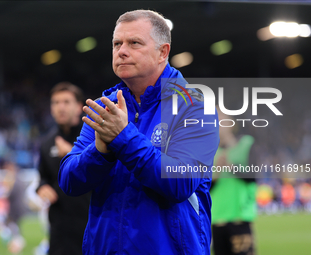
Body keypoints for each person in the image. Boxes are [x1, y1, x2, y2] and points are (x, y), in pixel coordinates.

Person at [58, 10, 219, 254]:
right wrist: (100, 151)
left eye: (134, 43)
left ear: (162, 53)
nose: (121, 51)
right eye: (116, 43)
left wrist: (122, 138)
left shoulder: (194, 105)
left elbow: (180, 183)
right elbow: (68, 181)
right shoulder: (105, 106)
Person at [36, 82, 91, 255]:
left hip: (91, 224)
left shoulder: (94, 137)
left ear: (78, 107)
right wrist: (42, 187)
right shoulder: (46, 143)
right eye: (55, 102)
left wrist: (74, 155)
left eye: (66, 102)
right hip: (60, 230)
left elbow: (107, 174)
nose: (60, 107)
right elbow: (43, 177)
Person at [210, 108, 257, 255]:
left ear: (231, 122)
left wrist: (230, 166)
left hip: (239, 218)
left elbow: (253, 176)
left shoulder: (246, 144)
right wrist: (216, 174)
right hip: (216, 219)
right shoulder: (210, 153)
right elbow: (203, 188)